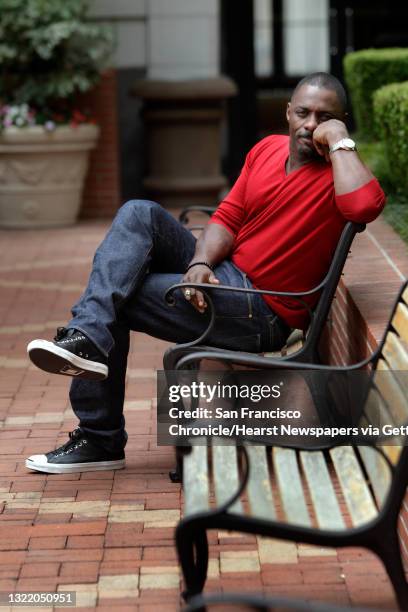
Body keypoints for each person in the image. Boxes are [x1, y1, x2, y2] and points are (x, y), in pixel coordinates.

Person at [25, 72, 385, 473]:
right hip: (226, 276)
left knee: (116, 296)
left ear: (340, 121)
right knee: (138, 213)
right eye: (303, 112)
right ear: (288, 112)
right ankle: (90, 337)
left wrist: (339, 142)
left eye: (325, 117)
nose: (311, 124)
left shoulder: (340, 175)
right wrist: (200, 263)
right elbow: (227, 217)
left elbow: (365, 207)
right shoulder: (266, 149)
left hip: (260, 310)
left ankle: (99, 437)